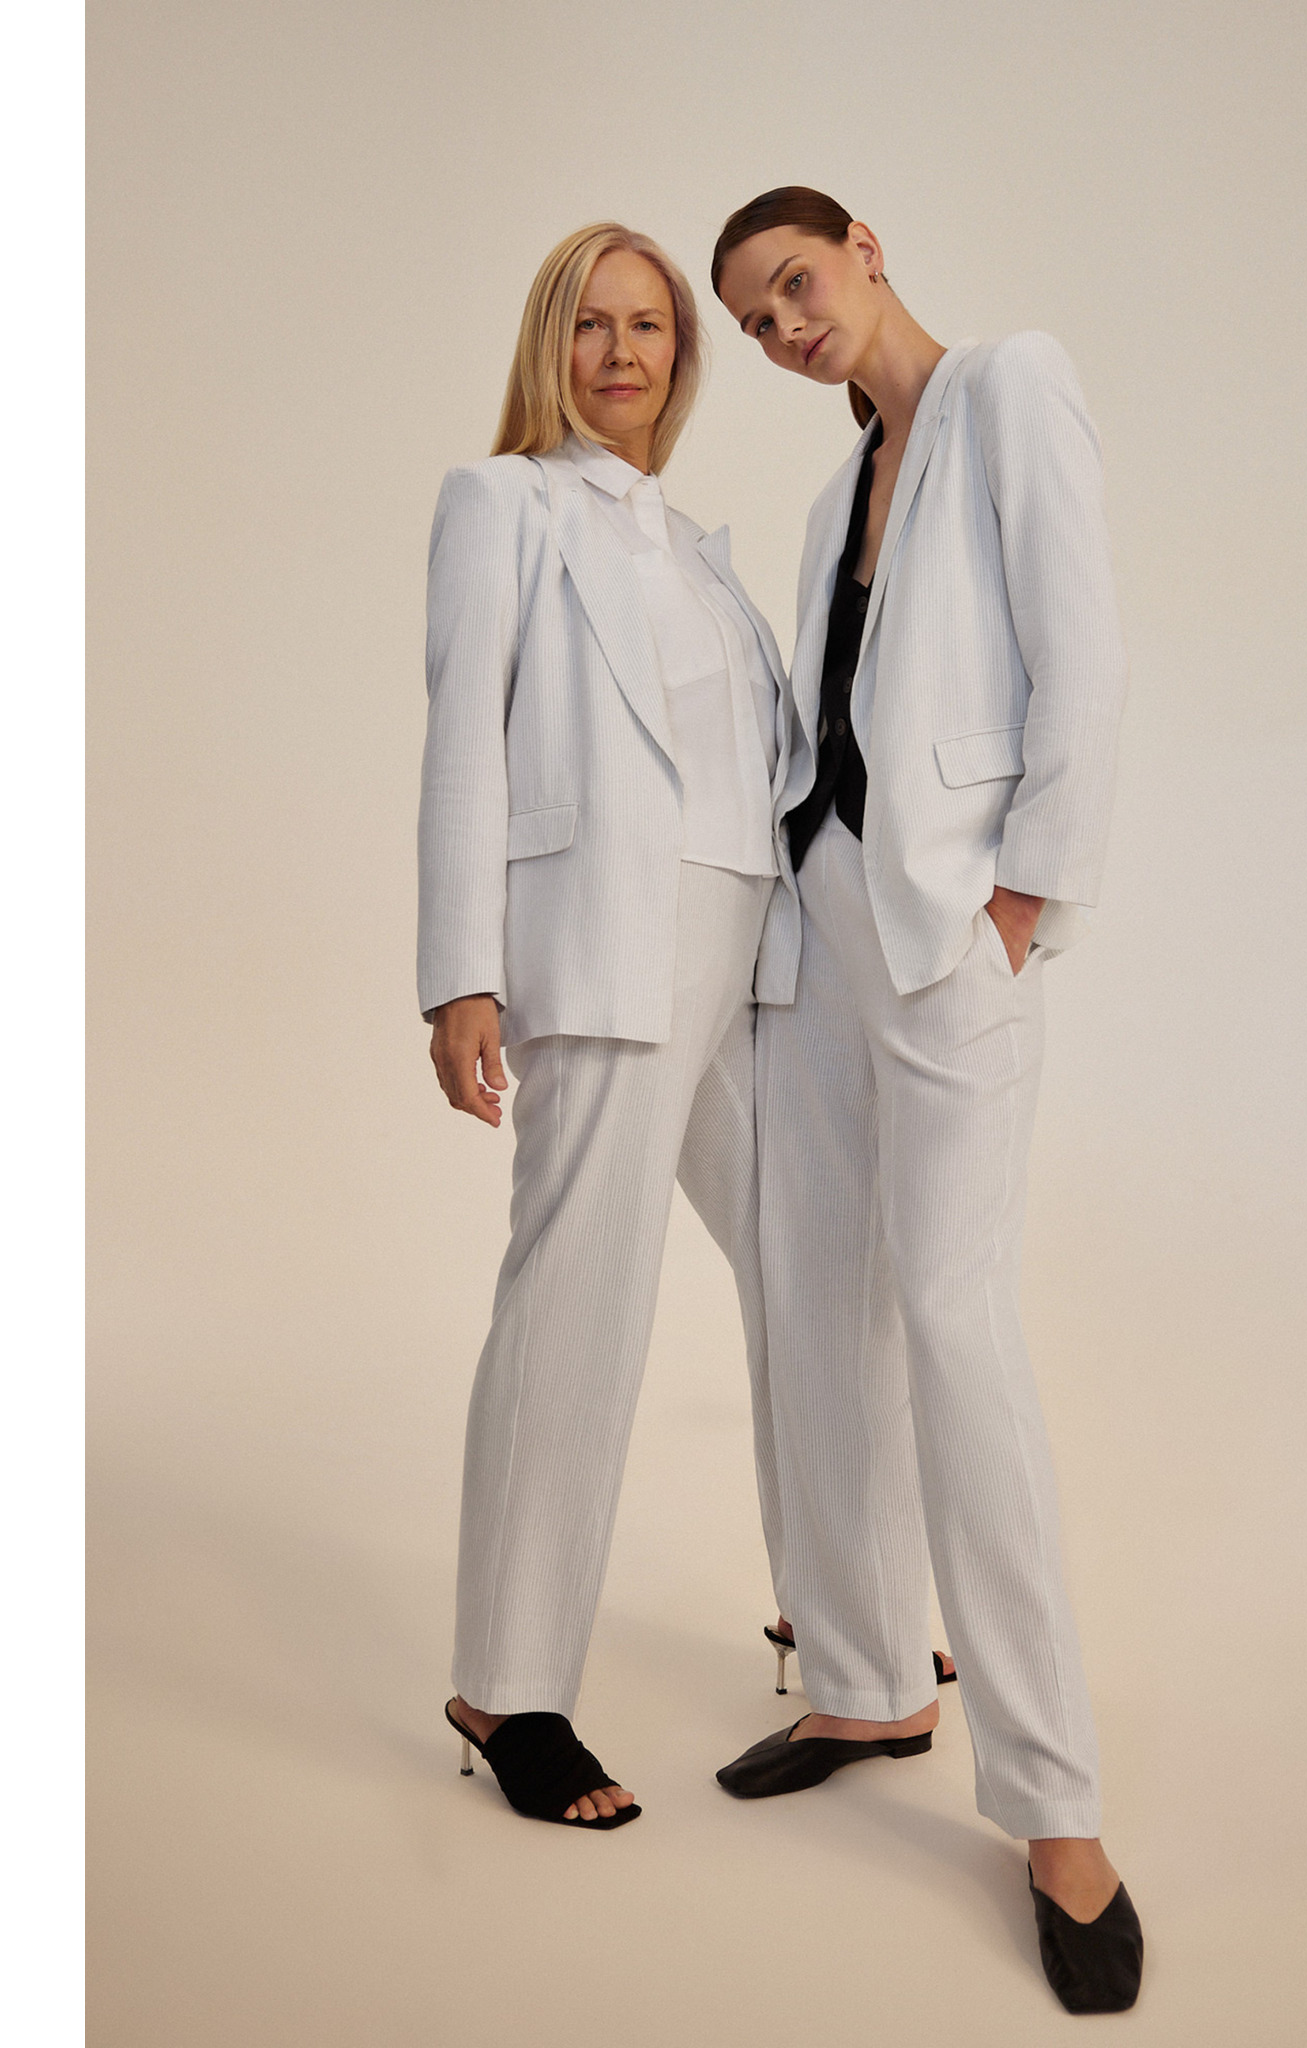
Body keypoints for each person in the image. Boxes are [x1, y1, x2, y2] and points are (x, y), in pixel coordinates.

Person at [711, 188, 1144, 2013]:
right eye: (755, 321)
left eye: (795, 285)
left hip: (953, 934)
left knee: (956, 1328)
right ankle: (871, 1679)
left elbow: (1083, 655)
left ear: (866, 248)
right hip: (820, 931)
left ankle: (1057, 1805)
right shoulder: (836, 495)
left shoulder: (1006, 390)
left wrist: (1024, 899)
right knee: (813, 1304)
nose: (783, 327)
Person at [417, 222, 795, 1829]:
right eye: (593, 324)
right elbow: (464, 735)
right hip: (608, 945)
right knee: (580, 1302)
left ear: (681, 358)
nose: (623, 352)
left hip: (751, 951)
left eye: (650, 327)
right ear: (550, 344)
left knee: (808, 1260)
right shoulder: (502, 503)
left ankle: (843, 1612)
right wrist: (460, 971)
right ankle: (509, 1687)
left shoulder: (696, 545)